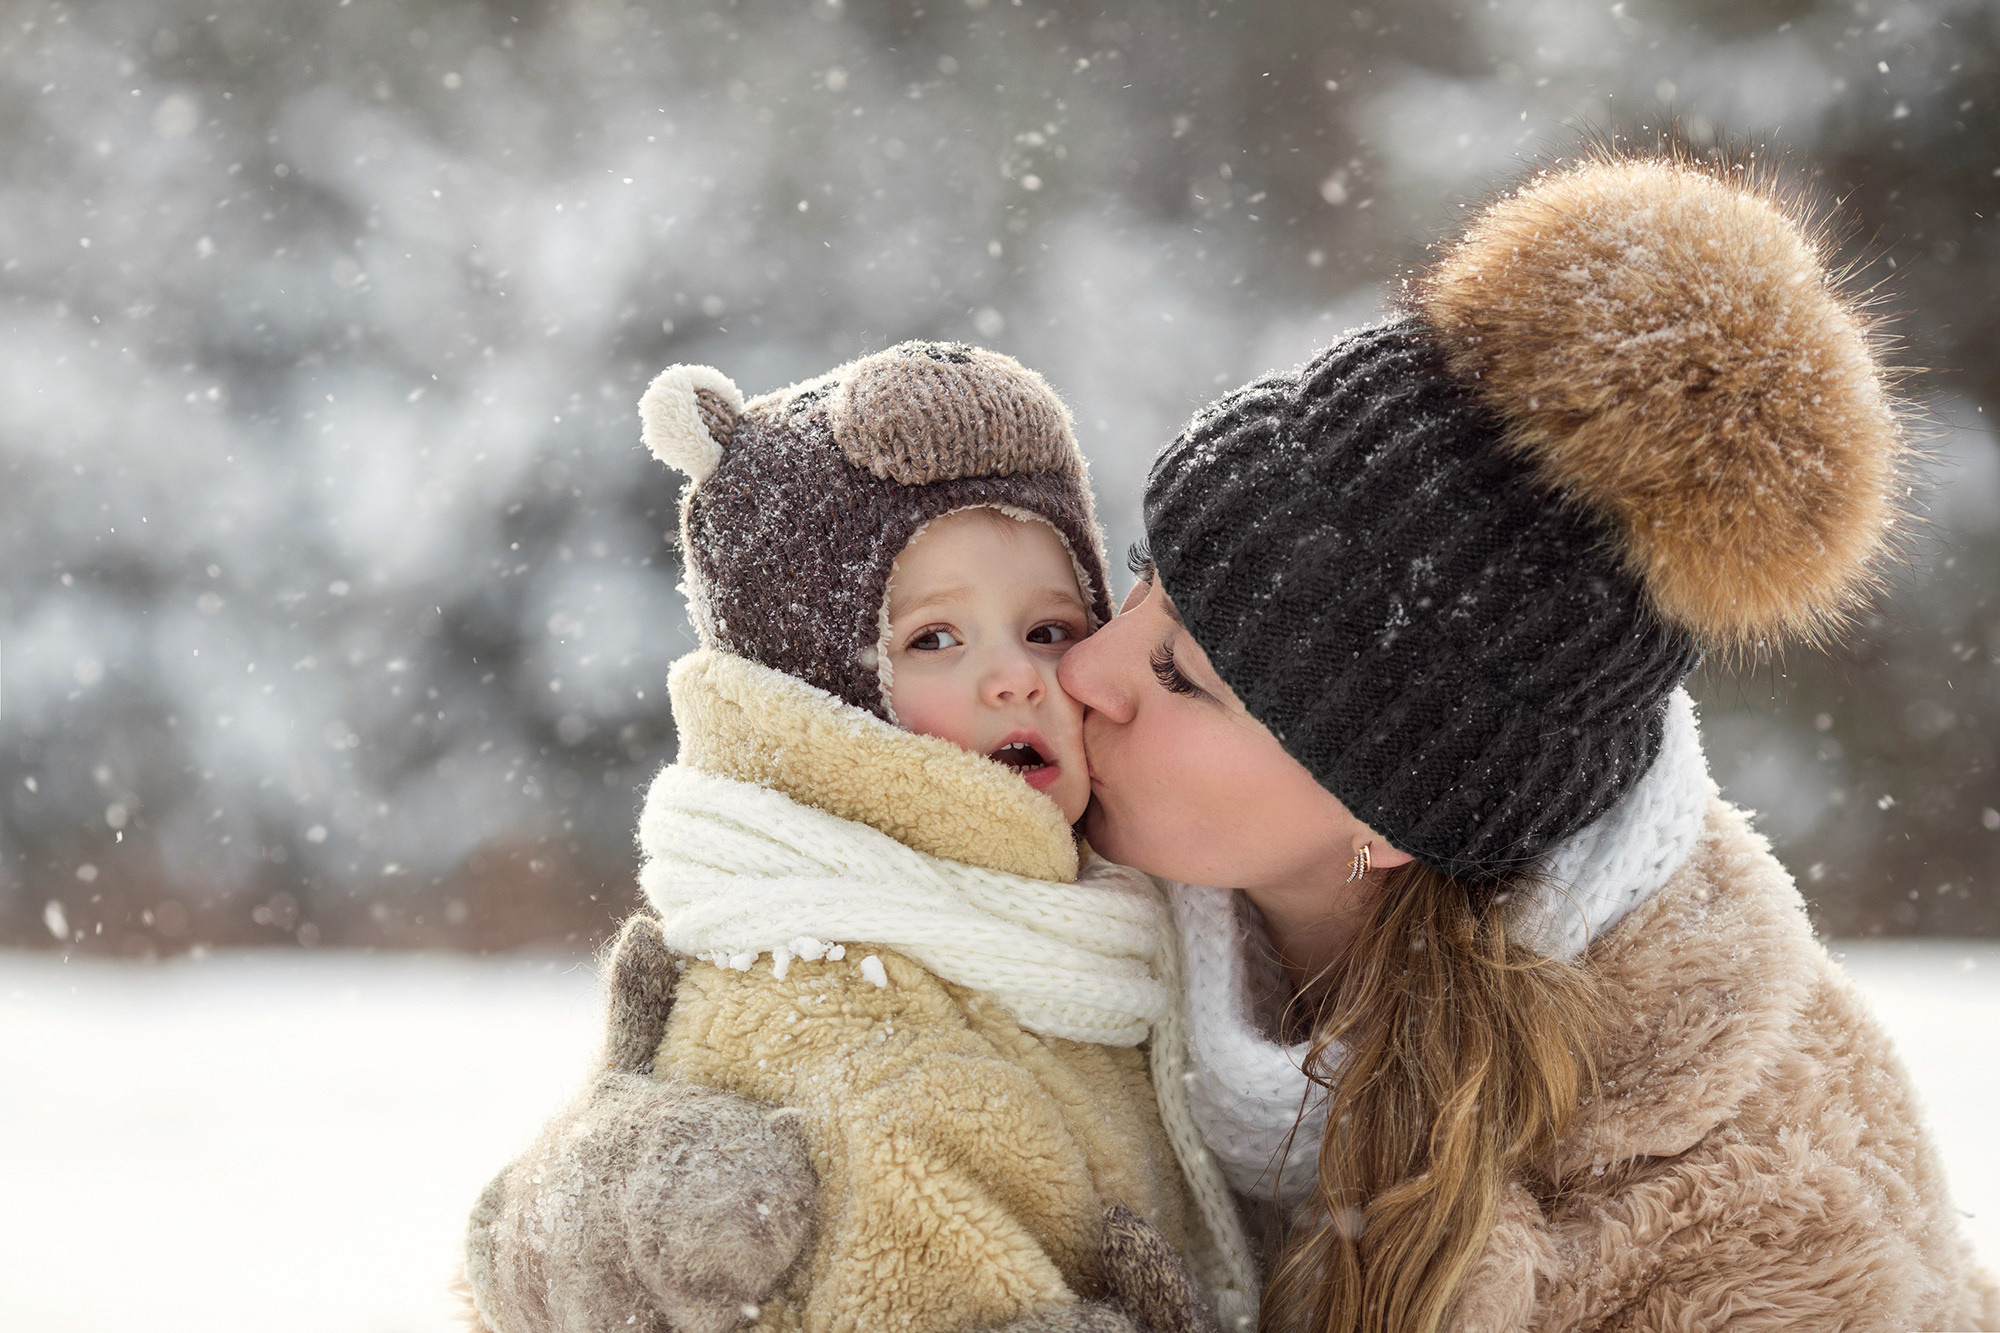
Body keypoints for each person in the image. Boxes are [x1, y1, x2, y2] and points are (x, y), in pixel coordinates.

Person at [467, 155, 2000, 1333]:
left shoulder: (1738, 1202)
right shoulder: (1053, 873)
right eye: (1137, 590)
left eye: (1189, 677)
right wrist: (608, 1235)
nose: (1092, 672)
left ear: (1392, 811)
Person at [462, 341, 1255, 1333]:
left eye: (1049, 628)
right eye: (933, 638)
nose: (1015, 676)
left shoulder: (1073, 930)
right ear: (821, 693)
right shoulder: (864, 1027)